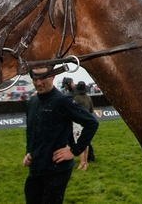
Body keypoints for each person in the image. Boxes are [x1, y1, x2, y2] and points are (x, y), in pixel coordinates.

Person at [24, 68, 98, 204]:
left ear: (53, 76)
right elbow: (31, 132)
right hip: (35, 169)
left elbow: (91, 122)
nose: (38, 82)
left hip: (56, 170)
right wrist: (29, 152)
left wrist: (74, 150)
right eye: (35, 79)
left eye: (42, 78)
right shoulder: (31, 102)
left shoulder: (62, 101)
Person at [72, 81, 96, 170]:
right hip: (87, 121)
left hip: (78, 122)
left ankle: (82, 163)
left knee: (79, 142)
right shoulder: (88, 98)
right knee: (85, 143)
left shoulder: (76, 98)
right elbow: (91, 110)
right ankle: (85, 162)